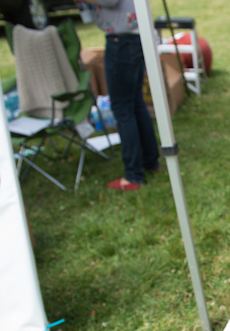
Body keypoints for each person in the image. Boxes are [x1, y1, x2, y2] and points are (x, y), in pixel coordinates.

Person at [84, 0, 160, 191]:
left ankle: (133, 175)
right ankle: (150, 162)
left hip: (123, 40)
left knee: (123, 108)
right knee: (134, 103)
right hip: (133, 36)